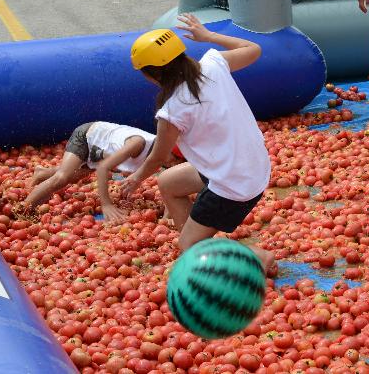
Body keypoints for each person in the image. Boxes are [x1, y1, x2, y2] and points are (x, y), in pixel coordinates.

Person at [120, 14, 274, 272]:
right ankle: (197, 244)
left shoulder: (173, 111)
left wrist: (135, 178)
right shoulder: (213, 64)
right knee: (168, 183)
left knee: (188, 247)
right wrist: (208, 36)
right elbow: (253, 49)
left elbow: (158, 157)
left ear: (150, 75)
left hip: (234, 184)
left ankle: (253, 256)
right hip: (251, 166)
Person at [21, 122, 175, 223]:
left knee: (74, 176)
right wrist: (106, 204)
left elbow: (170, 187)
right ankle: (22, 210)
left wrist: (169, 217)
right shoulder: (138, 143)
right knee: (62, 178)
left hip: (102, 151)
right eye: (174, 159)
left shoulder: (163, 156)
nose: (173, 164)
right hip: (88, 136)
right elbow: (103, 168)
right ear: (165, 150)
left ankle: (42, 173)